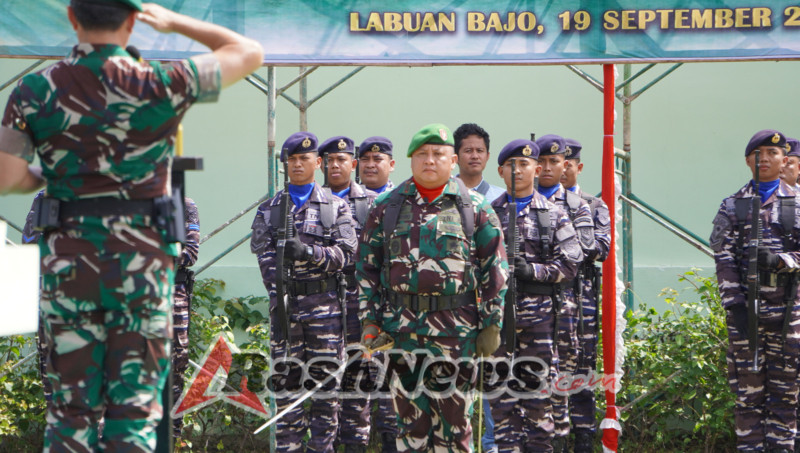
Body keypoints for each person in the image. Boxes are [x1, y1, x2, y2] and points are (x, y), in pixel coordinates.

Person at [0, 1, 262, 450]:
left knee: (69, 410)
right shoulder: (162, 82)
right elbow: (247, 51)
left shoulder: (34, 89)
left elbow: (7, 175)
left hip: (69, 267)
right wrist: (174, 20)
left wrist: (53, 176)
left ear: (72, 19)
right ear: (132, 20)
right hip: (141, 268)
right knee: (136, 407)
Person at [357, 123, 508, 452]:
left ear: (452, 160)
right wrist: (370, 320)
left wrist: (492, 324)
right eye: (422, 154)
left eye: (438, 154)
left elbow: (494, 270)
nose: (430, 160)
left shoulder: (475, 207)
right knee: (410, 425)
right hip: (401, 332)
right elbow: (367, 267)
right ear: (411, 161)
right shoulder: (386, 206)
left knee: (455, 425)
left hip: (457, 333)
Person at [251, 132, 358, 453]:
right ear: (285, 164)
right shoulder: (269, 210)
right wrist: (286, 285)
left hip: (326, 315)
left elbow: (346, 255)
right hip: (285, 312)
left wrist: (308, 254)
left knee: (326, 396)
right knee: (287, 398)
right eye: (292, 160)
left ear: (318, 163)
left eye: (304, 159)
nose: (298, 165)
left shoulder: (335, 207)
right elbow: (265, 261)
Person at [489, 139, 583, 453]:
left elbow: (570, 263)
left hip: (541, 323)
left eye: (525, 164)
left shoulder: (553, 214)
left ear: (537, 168)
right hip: (499, 321)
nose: (518, 170)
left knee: (539, 404)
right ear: (501, 171)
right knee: (502, 403)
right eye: (511, 165)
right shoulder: (486, 215)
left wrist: (533, 271)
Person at [710, 129, 800, 452]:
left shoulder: (797, 203)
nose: (765, 159)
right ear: (748, 161)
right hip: (746, 316)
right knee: (748, 398)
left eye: (772, 153)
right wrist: (734, 306)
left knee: (786, 396)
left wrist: (782, 261)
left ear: (784, 159)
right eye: (758, 154)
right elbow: (722, 255)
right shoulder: (733, 205)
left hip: (788, 316)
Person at [534, 134, 596, 452]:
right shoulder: (515, 203)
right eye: (540, 161)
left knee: (572, 376)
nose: (547, 167)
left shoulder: (582, 206)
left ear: (567, 166)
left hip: (571, 303)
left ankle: (579, 438)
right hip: (528, 308)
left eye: (554, 161)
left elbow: (590, 250)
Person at [318, 135, 378, 453]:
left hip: (359, 302)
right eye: (330, 160)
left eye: (342, 160)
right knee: (323, 384)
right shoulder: (310, 203)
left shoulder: (371, 203)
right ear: (322, 165)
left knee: (358, 383)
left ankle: (355, 445)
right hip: (322, 304)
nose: (336, 165)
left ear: (353, 164)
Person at [561, 138, 611, 452]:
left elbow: (600, 249)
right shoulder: (539, 204)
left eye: (567, 164)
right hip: (544, 303)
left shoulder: (594, 206)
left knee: (581, 373)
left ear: (578, 168)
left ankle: (582, 437)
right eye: (553, 163)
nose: (560, 169)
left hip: (582, 302)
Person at [172, 197, 199, 439]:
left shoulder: (185, 205)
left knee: (174, 370)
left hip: (172, 297)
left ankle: (171, 439)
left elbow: (190, 253)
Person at [454, 123, 505, 204]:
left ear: (487, 156)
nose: (475, 156)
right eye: (468, 151)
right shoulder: (443, 195)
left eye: (479, 151)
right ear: (455, 157)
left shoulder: (501, 198)